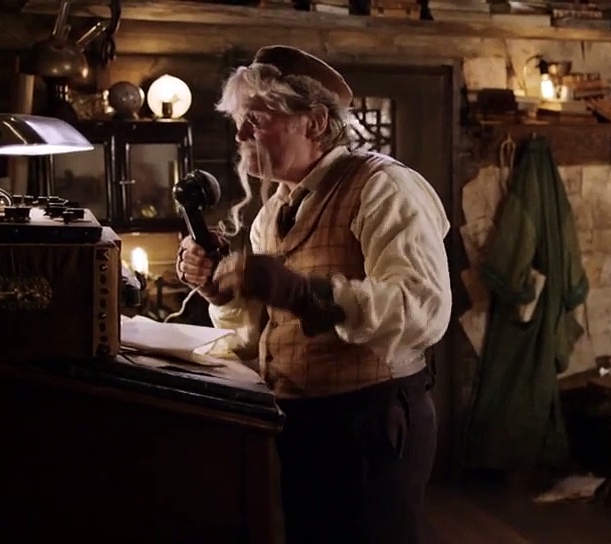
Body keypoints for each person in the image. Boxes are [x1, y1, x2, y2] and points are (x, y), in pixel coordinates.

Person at [174, 45, 452, 544]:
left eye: (256, 119)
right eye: (238, 120)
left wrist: (304, 292)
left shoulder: (383, 187)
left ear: (316, 122)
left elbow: (422, 308)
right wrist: (220, 291)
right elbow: (261, 336)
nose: (240, 134)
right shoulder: (272, 214)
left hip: (370, 422)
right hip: (301, 423)